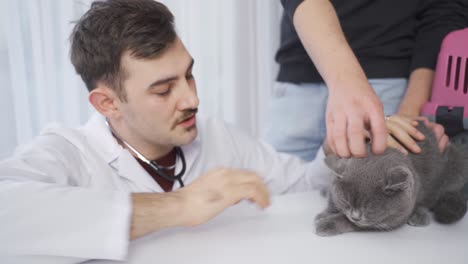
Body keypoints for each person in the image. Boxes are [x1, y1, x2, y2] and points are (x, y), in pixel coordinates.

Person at [0, 0, 447, 263]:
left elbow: (302, 186)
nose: (191, 99)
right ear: (107, 104)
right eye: (164, 89)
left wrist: (338, 152)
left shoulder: (217, 135)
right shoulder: (68, 151)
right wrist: (175, 208)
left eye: (189, 76)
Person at [263, 0, 467, 161]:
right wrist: (345, 81)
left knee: (376, 203)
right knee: (272, 204)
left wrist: (410, 112)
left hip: (389, 88)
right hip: (299, 84)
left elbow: (444, 9)